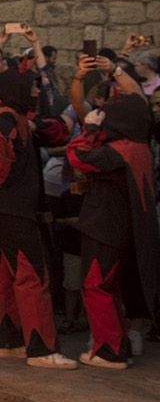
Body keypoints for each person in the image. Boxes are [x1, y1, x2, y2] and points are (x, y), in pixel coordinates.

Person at [0, 67, 73, 367]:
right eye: (31, 87)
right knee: (32, 274)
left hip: (5, 208)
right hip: (13, 208)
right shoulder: (8, 119)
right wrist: (2, 179)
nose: (36, 92)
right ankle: (41, 349)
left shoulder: (12, 118)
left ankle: (9, 339)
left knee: (6, 273)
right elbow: (0, 152)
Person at [65, 94, 158, 369]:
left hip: (105, 228)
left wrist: (90, 129)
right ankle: (118, 345)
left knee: (97, 286)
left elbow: (77, 156)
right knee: (107, 286)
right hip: (122, 229)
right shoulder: (140, 148)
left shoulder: (119, 150)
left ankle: (109, 350)